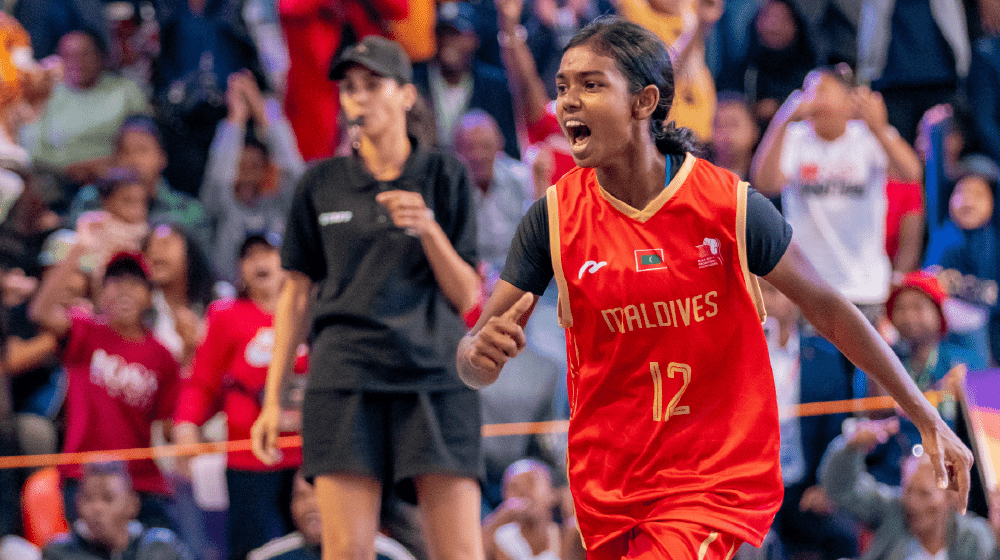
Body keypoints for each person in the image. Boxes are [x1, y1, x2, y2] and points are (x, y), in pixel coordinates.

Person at [457, 17, 973, 559]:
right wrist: (478, 356)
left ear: (643, 101)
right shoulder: (554, 218)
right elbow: (479, 355)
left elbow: (828, 307)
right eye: (562, 87)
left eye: (591, 85)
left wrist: (924, 413)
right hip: (609, 484)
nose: (567, 102)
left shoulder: (725, 203)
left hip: (710, 479)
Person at [250, 36, 483, 560]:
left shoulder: (446, 175)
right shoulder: (319, 183)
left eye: (373, 85)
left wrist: (428, 229)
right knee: (347, 552)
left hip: (434, 376)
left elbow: (468, 293)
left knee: (461, 553)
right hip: (345, 377)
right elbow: (295, 294)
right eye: (349, 88)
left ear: (404, 95)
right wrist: (272, 399)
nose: (358, 98)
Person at [173, 233, 307, 560]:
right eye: (250, 256)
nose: (260, 262)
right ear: (240, 269)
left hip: (306, 458)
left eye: (269, 253)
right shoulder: (226, 315)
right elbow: (203, 381)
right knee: (250, 549)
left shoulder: (310, 313)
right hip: (249, 458)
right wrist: (186, 425)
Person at [29, 249, 180, 530]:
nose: (124, 291)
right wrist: (77, 250)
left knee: (164, 545)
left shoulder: (163, 356)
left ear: (149, 296)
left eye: (134, 284)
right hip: (85, 479)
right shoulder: (85, 332)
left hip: (142, 482)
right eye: (115, 282)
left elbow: (170, 428)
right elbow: (40, 311)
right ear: (100, 293)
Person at [751, 66, 923, 314]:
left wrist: (878, 127)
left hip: (866, 286)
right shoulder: (795, 137)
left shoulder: (868, 137)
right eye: (807, 91)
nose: (811, 99)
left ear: (848, 100)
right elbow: (765, 184)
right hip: (808, 287)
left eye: (822, 91)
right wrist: (783, 119)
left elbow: (911, 174)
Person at [821, 418, 995, 560]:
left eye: (924, 494)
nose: (912, 503)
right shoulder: (893, 510)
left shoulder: (974, 537)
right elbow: (841, 490)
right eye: (909, 490)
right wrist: (851, 448)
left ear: (951, 498)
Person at [200, 69, 305, 283]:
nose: (247, 173)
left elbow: (296, 176)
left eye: (255, 166)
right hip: (233, 301)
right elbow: (217, 181)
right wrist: (235, 119)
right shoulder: (222, 209)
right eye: (240, 166)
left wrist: (264, 116)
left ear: (267, 170)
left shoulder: (281, 207)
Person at [21, 29, 149, 188]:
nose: (77, 62)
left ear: (101, 55)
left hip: (118, 179)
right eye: (68, 56)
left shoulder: (126, 91)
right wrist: (71, 168)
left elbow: (145, 142)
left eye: (85, 54)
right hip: (59, 181)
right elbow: (32, 150)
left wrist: (107, 164)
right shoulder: (47, 94)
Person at [67, 115, 212, 252]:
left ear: (162, 158)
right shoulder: (91, 199)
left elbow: (199, 266)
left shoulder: (188, 210)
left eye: (142, 150)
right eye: (125, 151)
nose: (133, 160)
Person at [42, 462, 192, 560]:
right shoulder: (60, 553)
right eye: (88, 499)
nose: (96, 508)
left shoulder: (162, 548)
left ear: (132, 505)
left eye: (107, 499)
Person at [142, 222, 216, 365]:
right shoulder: (143, 307)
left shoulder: (220, 298)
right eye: (148, 247)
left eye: (165, 243)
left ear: (189, 253)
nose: (154, 252)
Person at [482, 459, 561, 560]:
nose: (522, 491)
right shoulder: (501, 539)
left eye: (530, 482)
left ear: (552, 494)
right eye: (514, 487)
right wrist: (500, 518)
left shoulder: (566, 535)